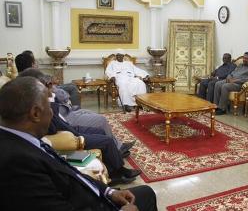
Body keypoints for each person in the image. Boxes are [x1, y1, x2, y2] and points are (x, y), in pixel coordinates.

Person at [0, 77, 158, 211]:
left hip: (92, 195)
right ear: (35, 113)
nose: (53, 112)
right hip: (89, 204)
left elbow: (71, 173)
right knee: (147, 195)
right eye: (49, 107)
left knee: (145, 192)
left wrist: (109, 191)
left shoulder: (25, 139)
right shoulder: (17, 163)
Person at [18, 68, 140, 184]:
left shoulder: (39, 101)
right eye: (47, 85)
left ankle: (111, 169)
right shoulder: (39, 106)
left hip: (69, 127)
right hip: (70, 135)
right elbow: (53, 126)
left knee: (100, 131)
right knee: (106, 141)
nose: (50, 88)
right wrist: (51, 100)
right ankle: (119, 172)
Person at [15, 50, 81, 106]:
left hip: (50, 90)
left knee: (71, 85)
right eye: (34, 62)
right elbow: (60, 95)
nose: (36, 64)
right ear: (32, 64)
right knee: (72, 87)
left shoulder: (17, 80)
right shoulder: (34, 76)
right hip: (54, 100)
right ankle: (76, 110)